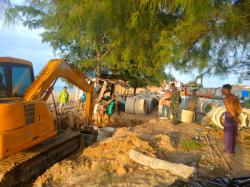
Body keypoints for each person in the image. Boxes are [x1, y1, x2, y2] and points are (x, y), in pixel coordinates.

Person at [222, 84, 242, 155]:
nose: (221, 90)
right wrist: (237, 116)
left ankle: (229, 150)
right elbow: (240, 108)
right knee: (233, 133)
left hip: (230, 116)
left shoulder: (226, 98)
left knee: (228, 134)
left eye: (222, 89)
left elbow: (230, 109)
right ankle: (232, 150)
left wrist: (235, 117)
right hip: (236, 115)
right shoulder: (234, 96)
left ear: (225, 89)